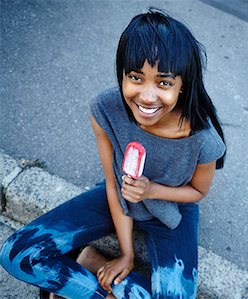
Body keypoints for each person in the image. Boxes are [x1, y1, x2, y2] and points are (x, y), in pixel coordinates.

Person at [0, 7, 226, 299]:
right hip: (117, 195)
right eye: (136, 77)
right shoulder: (105, 109)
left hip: (172, 209)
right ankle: (97, 280)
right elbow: (111, 182)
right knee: (17, 254)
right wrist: (126, 255)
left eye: (164, 83)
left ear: (183, 85)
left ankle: (89, 265)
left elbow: (197, 192)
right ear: (122, 73)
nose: (146, 96)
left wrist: (151, 190)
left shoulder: (202, 139)